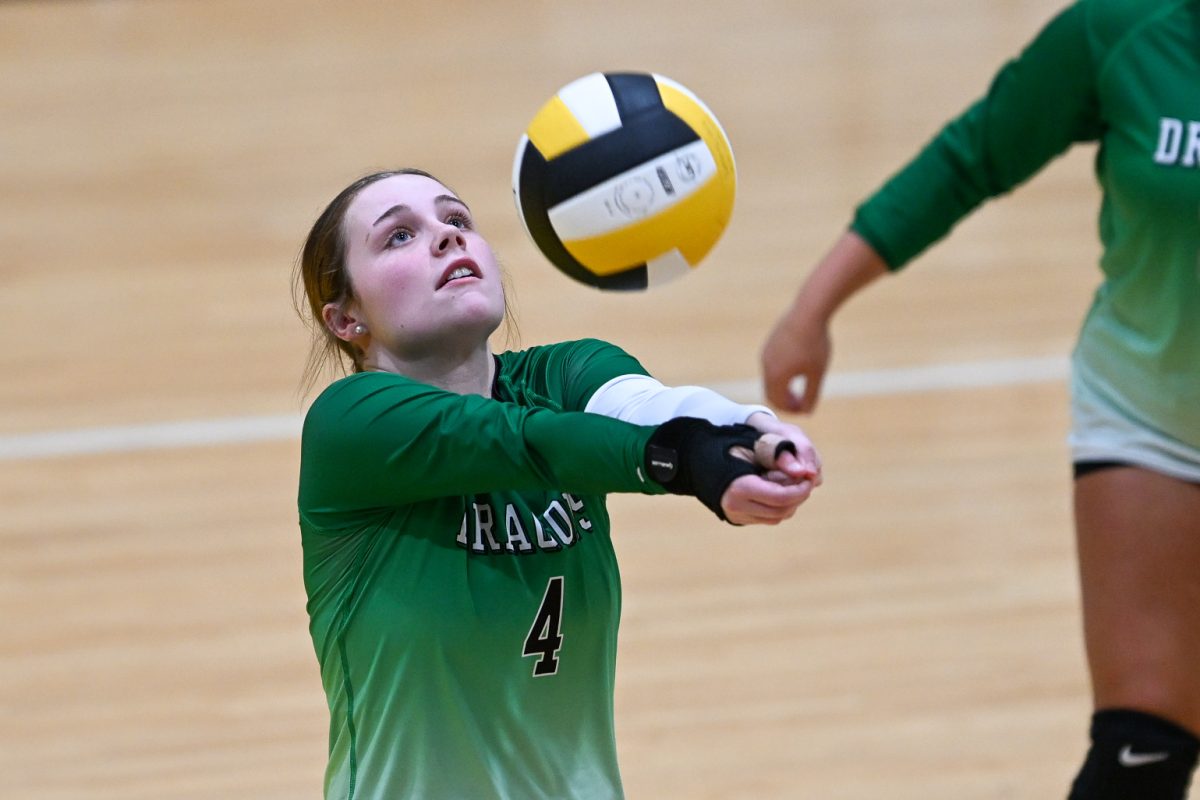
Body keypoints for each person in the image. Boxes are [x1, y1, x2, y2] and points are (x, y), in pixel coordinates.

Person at [760, 0, 1200, 797]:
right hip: (1149, 421)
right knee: (1143, 751)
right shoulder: (1122, 30)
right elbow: (972, 158)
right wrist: (811, 311)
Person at [294, 168, 822, 799]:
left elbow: (644, 404)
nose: (445, 238)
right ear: (346, 318)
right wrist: (683, 462)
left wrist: (750, 433)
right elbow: (524, 442)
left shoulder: (567, 373)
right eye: (400, 236)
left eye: (456, 219)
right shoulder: (352, 426)